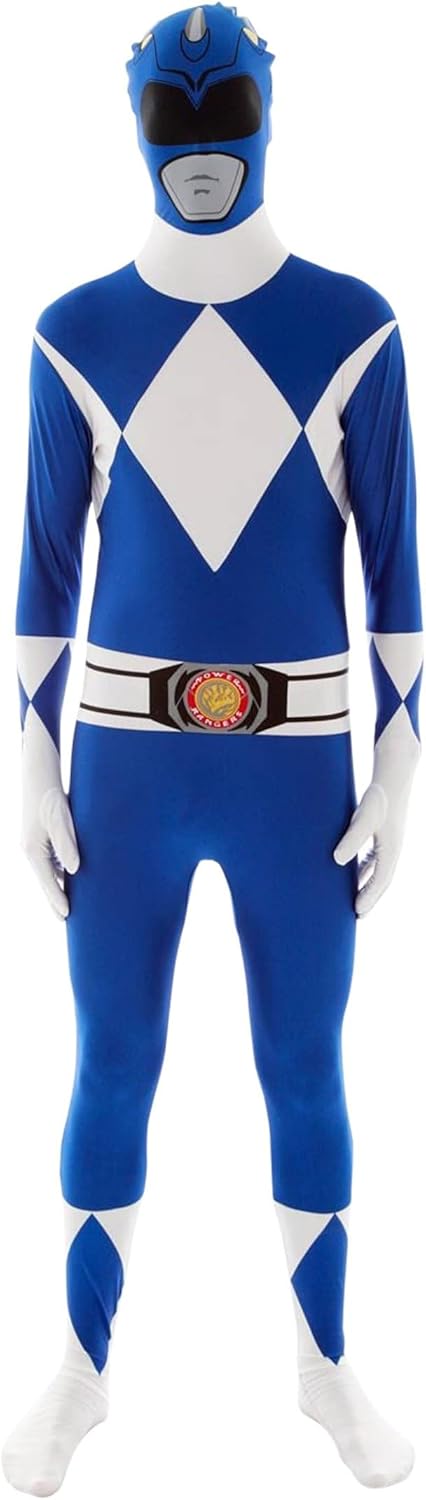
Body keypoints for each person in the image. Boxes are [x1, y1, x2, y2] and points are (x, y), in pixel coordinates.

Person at [3, 5, 422, 1493]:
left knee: (304, 1064)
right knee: (110, 1061)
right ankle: (78, 1376)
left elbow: (399, 573)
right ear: (134, 124)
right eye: (172, 117)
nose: (198, 144)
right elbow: (45, 571)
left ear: (264, 112)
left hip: (295, 770)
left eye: (222, 110)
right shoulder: (73, 333)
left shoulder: (355, 325)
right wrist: (31, 762)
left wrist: (401, 769)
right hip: (123, 763)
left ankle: (324, 1372)